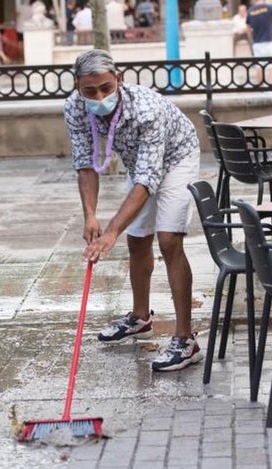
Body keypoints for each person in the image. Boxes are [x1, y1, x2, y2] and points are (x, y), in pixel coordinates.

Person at [64, 49, 203, 372]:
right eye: (89, 91)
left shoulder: (146, 109)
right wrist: (91, 215)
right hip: (139, 163)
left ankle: (186, 339)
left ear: (119, 80)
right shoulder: (74, 108)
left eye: (106, 88)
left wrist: (112, 230)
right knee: (138, 239)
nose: (98, 96)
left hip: (176, 157)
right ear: (77, 87)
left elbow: (147, 180)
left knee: (169, 240)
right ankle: (140, 317)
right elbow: (85, 163)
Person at [245, 0, 272, 84]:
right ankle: (271, 89)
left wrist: (252, 39)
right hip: (269, 40)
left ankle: (261, 90)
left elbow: (247, 28)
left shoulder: (250, 11)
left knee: (259, 67)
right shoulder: (269, 7)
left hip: (257, 42)